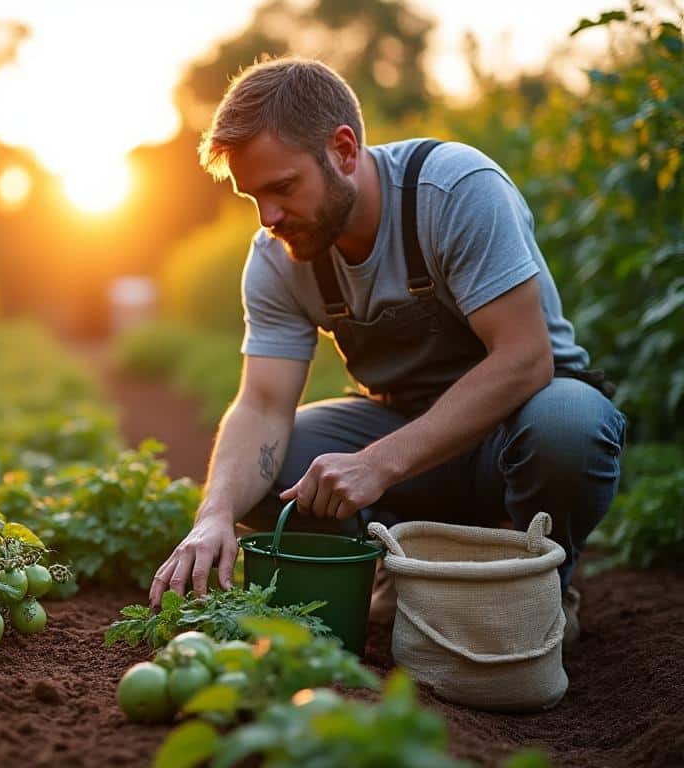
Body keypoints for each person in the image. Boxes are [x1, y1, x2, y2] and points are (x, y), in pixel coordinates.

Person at [148, 57, 626, 642]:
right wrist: (213, 513)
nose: (268, 216)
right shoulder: (277, 255)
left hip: (515, 428)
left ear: (344, 151)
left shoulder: (452, 191)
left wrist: (377, 463)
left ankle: (537, 585)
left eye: (283, 188)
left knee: (568, 426)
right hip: (405, 422)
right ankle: (399, 567)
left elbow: (525, 359)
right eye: (253, 197)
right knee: (271, 467)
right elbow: (261, 406)